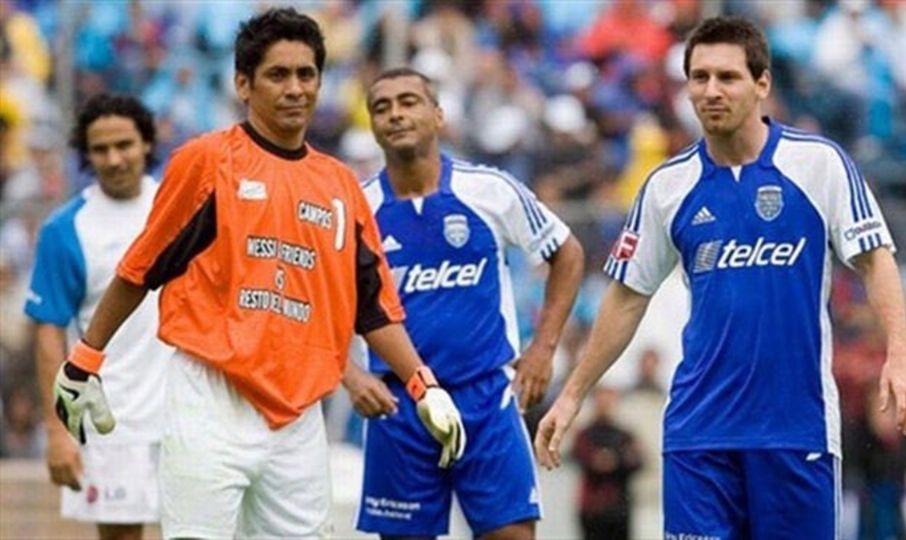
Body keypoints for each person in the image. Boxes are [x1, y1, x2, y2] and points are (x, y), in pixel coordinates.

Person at [49, 9, 464, 539]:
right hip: (210, 399)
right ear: (243, 84)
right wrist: (85, 358)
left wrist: (423, 385)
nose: (295, 89)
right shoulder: (208, 161)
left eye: (306, 74)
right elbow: (141, 268)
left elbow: (373, 307)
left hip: (298, 416)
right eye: (277, 74)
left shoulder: (340, 186)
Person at [535, 16, 906, 539]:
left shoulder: (819, 164)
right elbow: (627, 297)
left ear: (762, 84)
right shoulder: (667, 187)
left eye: (727, 77)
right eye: (699, 78)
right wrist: (572, 394)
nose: (710, 91)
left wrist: (900, 355)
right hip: (699, 435)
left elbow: (875, 259)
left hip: (795, 429)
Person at [343, 67, 584, 540]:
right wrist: (351, 376)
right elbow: (320, 301)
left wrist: (543, 348)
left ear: (438, 115)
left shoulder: (488, 189)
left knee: (512, 535)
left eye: (409, 102)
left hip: (485, 396)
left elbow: (567, 252)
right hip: (399, 404)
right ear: (372, 125)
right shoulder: (357, 208)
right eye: (382, 107)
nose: (395, 114)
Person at [24, 93, 170, 540]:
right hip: (111, 417)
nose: (113, 158)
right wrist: (57, 432)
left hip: (187, 409)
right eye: (100, 149)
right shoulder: (65, 229)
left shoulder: (178, 206)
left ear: (146, 143)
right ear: (85, 154)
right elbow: (49, 333)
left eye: (124, 144)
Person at [572, 386, 643, 540]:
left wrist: (614, 462)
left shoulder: (624, 434)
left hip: (619, 506)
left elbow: (638, 462)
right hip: (592, 507)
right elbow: (579, 457)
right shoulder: (585, 434)